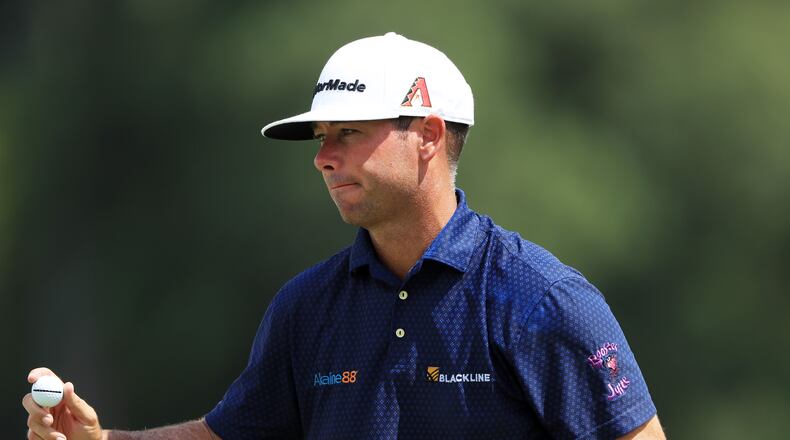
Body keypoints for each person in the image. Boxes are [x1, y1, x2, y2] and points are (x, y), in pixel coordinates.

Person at [23, 32, 665, 439]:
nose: (323, 157)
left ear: (430, 137)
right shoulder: (307, 309)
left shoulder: (542, 300)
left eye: (349, 133)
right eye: (321, 138)